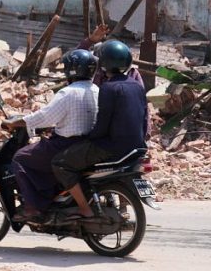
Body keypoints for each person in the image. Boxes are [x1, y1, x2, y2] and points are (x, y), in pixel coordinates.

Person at [52, 40, 149, 219]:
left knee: (61, 163)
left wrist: (90, 138)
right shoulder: (136, 85)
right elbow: (144, 118)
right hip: (136, 145)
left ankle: (83, 207)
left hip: (111, 146)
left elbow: (102, 124)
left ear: (104, 63)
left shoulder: (107, 88)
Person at [1, 49, 99, 222]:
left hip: (64, 146)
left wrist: (17, 122)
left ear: (71, 70)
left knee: (20, 158)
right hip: (87, 146)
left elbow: (45, 117)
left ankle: (33, 207)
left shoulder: (68, 92)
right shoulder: (97, 90)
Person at [79, 24, 145, 90]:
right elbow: (76, 58)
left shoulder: (132, 73)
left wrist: (90, 40)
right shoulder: (96, 70)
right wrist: (90, 40)